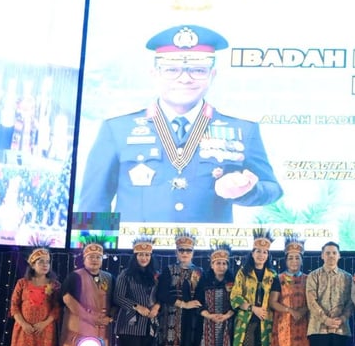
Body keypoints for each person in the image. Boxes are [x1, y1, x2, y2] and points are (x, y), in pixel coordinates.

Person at [77, 24, 282, 223]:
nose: (184, 79)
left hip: (210, 247)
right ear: (154, 74)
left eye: (198, 70)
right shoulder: (117, 129)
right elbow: (94, 204)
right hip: (136, 247)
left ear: (212, 75)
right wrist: (93, 246)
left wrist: (247, 191)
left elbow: (273, 189)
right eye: (171, 70)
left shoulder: (242, 129)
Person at [305, 241, 353, 346]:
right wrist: (326, 319)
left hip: (340, 328)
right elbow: (311, 301)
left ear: (339, 256)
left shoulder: (347, 277)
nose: (331, 256)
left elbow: (350, 302)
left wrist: (342, 318)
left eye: (334, 253)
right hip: (318, 328)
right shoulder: (313, 276)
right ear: (322, 255)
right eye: (328, 253)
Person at [157, 230, 203, 346]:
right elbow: (162, 294)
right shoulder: (169, 270)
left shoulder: (199, 272)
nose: (184, 253)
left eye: (188, 250)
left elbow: (202, 295)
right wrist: (183, 304)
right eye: (181, 250)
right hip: (172, 316)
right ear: (176, 252)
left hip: (192, 319)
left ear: (193, 252)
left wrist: (193, 305)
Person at [113, 236, 161, 346]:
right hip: (130, 325)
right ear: (135, 256)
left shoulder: (156, 275)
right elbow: (118, 297)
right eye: (141, 254)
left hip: (150, 326)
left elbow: (161, 296)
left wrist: (157, 306)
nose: (144, 258)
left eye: (147, 255)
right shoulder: (126, 274)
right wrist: (137, 307)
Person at [59, 236, 114, 346]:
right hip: (78, 327)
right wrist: (91, 318)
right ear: (84, 259)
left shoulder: (109, 278)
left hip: (102, 329)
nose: (94, 260)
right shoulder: (75, 276)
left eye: (98, 257)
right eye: (91, 257)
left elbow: (115, 300)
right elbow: (67, 299)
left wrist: (110, 317)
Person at [229, 229, 280, 346]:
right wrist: (252, 308)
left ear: (268, 255)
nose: (261, 255)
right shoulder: (243, 273)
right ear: (252, 253)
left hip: (266, 322)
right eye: (258, 251)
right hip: (246, 321)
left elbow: (275, 300)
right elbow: (235, 296)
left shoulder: (273, 275)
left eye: (265, 252)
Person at [9, 243, 61, 346]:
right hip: (24, 329)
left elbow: (57, 308)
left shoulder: (55, 285)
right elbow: (14, 305)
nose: (45, 265)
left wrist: (44, 324)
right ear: (32, 265)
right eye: (41, 262)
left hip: (45, 329)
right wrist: (23, 324)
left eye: (47, 262)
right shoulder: (22, 283)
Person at [268, 234, 311, 346]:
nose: (294, 261)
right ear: (286, 261)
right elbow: (272, 302)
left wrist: (303, 310)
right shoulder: (278, 278)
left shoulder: (308, 279)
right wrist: (290, 310)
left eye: (297, 258)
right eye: (290, 258)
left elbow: (313, 300)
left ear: (302, 261)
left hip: (304, 324)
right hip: (284, 325)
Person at [195, 242, 235, 346]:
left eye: (224, 263)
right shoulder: (204, 281)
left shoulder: (233, 282)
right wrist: (209, 315)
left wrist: (226, 316)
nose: (221, 266)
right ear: (212, 265)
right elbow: (198, 303)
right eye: (218, 263)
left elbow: (236, 305)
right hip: (207, 326)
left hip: (227, 326)